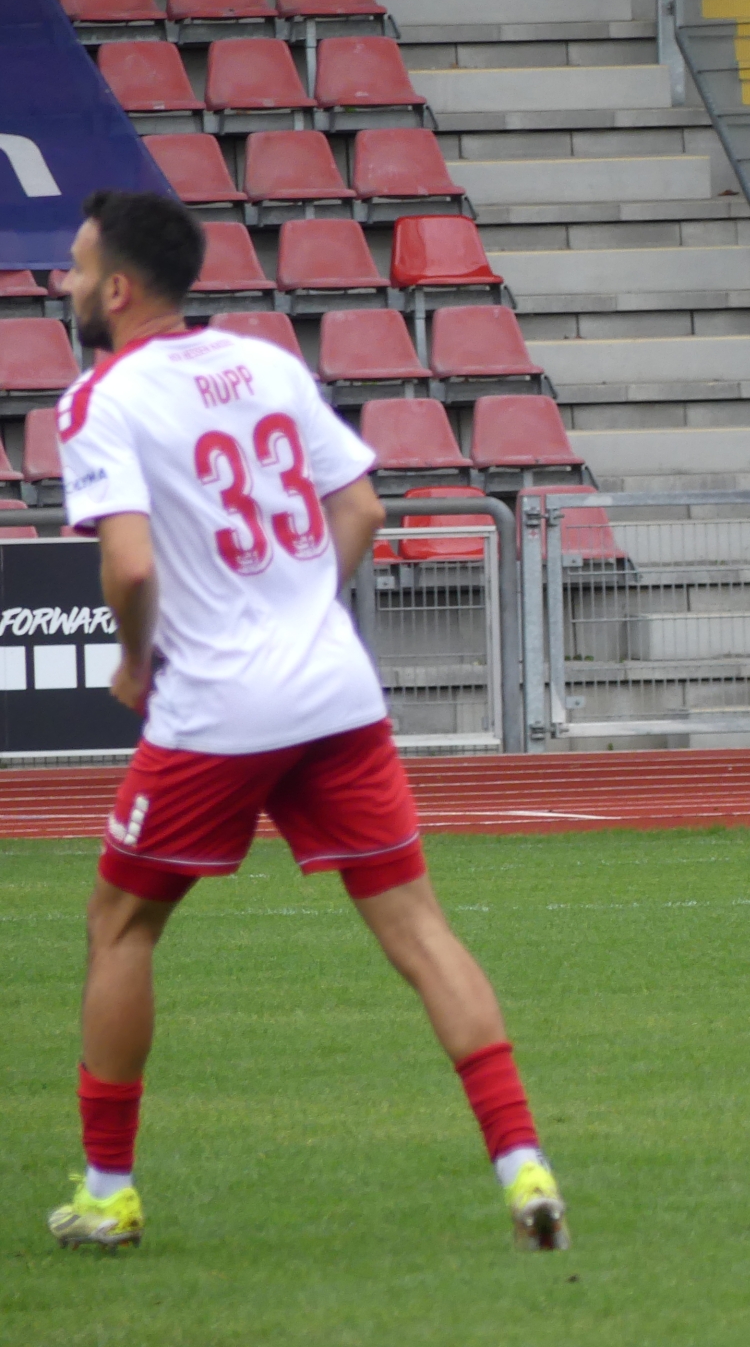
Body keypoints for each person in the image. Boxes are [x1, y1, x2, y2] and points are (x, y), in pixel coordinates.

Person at [45, 191, 567, 1252]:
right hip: (334, 688)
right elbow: (362, 507)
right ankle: (524, 1167)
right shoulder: (268, 363)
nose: (64, 282)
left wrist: (137, 662)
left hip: (215, 706)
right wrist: (298, 616)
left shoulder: (101, 399)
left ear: (118, 289)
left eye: (77, 266)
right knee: (419, 930)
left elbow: (130, 565)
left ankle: (107, 1194)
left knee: (121, 925)